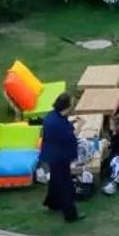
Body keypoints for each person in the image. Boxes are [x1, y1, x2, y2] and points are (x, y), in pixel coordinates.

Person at [40, 93, 82, 224]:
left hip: (52, 154)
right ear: (67, 107)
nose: (74, 106)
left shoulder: (53, 116)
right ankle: (70, 215)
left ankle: (53, 203)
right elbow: (71, 137)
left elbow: (63, 127)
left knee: (56, 179)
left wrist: (72, 122)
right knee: (65, 184)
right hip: (59, 157)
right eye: (72, 104)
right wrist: (80, 125)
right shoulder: (58, 124)